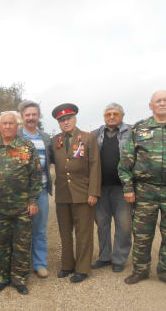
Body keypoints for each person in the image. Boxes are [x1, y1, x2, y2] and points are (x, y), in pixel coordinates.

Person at [119, 90, 166, 290]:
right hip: (145, 191)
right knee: (143, 234)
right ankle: (140, 270)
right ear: (150, 105)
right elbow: (126, 162)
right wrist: (128, 187)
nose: (162, 103)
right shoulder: (139, 129)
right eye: (158, 101)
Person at [0, 111, 42, 295]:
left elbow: (35, 176)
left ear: (17, 126)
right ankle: (3, 277)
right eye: (5, 123)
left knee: (22, 245)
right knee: (1, 244)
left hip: (22, 207)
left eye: (11, 123)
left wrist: (33, 200)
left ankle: (19, 278)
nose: (8, 126)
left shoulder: (27, 146)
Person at [50, 103, 101, 283]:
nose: (65, 122)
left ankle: (82, 268)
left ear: (75, 118)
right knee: (65, 232)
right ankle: (67, 265)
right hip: (63, 194)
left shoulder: (88, 138)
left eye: (68, 118)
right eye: (61, 120)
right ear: (58, 123)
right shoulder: (55, 140)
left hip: (83, 193)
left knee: (83, 233)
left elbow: (95, 166)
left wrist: (93, 192)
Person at [91, 103, 132, 272]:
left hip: (122, 188)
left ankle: (119, 259)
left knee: (124, 225)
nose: (112, 116)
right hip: (100, 188)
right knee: (102, 224)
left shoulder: (132, 133)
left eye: (115, 113)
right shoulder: (95, 134)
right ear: (104, 117)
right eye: (108, 114)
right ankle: (105, 256)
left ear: (122, 115)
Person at [17, 101, 53, 278]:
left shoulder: (45, 138)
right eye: (27, 115)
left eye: (34, 114)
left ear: (38, 116)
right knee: (20, 231)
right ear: (22, 117)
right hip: (19, 194)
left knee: (39, 230)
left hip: (41, 193)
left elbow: (54, 161)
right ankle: (21, 266)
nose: (31, 118)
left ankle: (39, 264)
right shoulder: (14, 136)